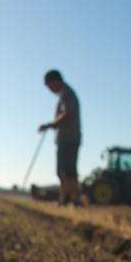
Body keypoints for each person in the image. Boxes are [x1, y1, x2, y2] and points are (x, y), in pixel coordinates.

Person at [38, 69, 81, 206]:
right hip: (65, 138)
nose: (50, 90)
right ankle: (65, 200)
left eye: (50, 86)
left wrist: (51, 124)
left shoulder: (68, 94)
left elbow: (68, 114)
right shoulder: (64, 95)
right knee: (63, 171)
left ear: (56, 81)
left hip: (69, 138)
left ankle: (73, 200)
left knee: (67, 171)